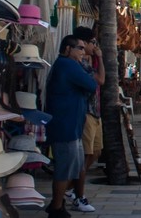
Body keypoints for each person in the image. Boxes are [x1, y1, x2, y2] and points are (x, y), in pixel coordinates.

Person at [44, 35, 99, 218]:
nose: (83, 52)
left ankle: (57, 203)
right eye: (80, 48)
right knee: (64, 169)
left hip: (71, 125)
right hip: (65, 125)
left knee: (72, 167)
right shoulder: (67, 65)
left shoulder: (68, 65)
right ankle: (57, 207)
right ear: (68, 49)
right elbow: (91, 84)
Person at [68, 26, 104, 213]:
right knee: (83, 157)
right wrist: (100, 58)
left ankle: (71, 187)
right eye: (92, 43)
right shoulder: (78, 64)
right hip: (86, 113)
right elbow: (100, 80)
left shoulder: (86, 62)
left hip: (95, 112)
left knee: (96, 152)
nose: (92, 47)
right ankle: (75, 192)